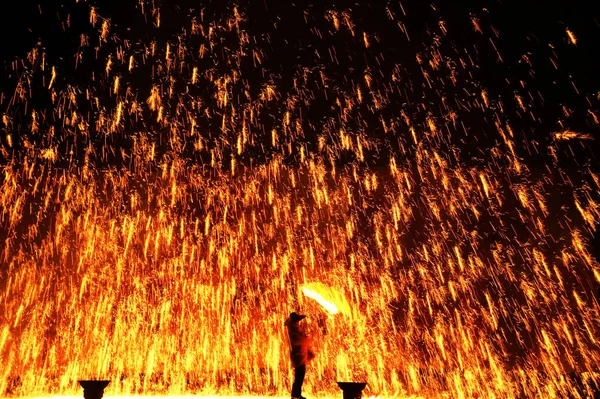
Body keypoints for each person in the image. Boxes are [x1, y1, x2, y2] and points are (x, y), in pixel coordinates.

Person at [285, 312, 315, 399]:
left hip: (298, 355)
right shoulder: (294, 328)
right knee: (299, 376)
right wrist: (307, 336)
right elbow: (302, 338)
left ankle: (296, 394)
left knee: (299, 376)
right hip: (298, 356)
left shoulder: (291, 326)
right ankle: (296, 395)